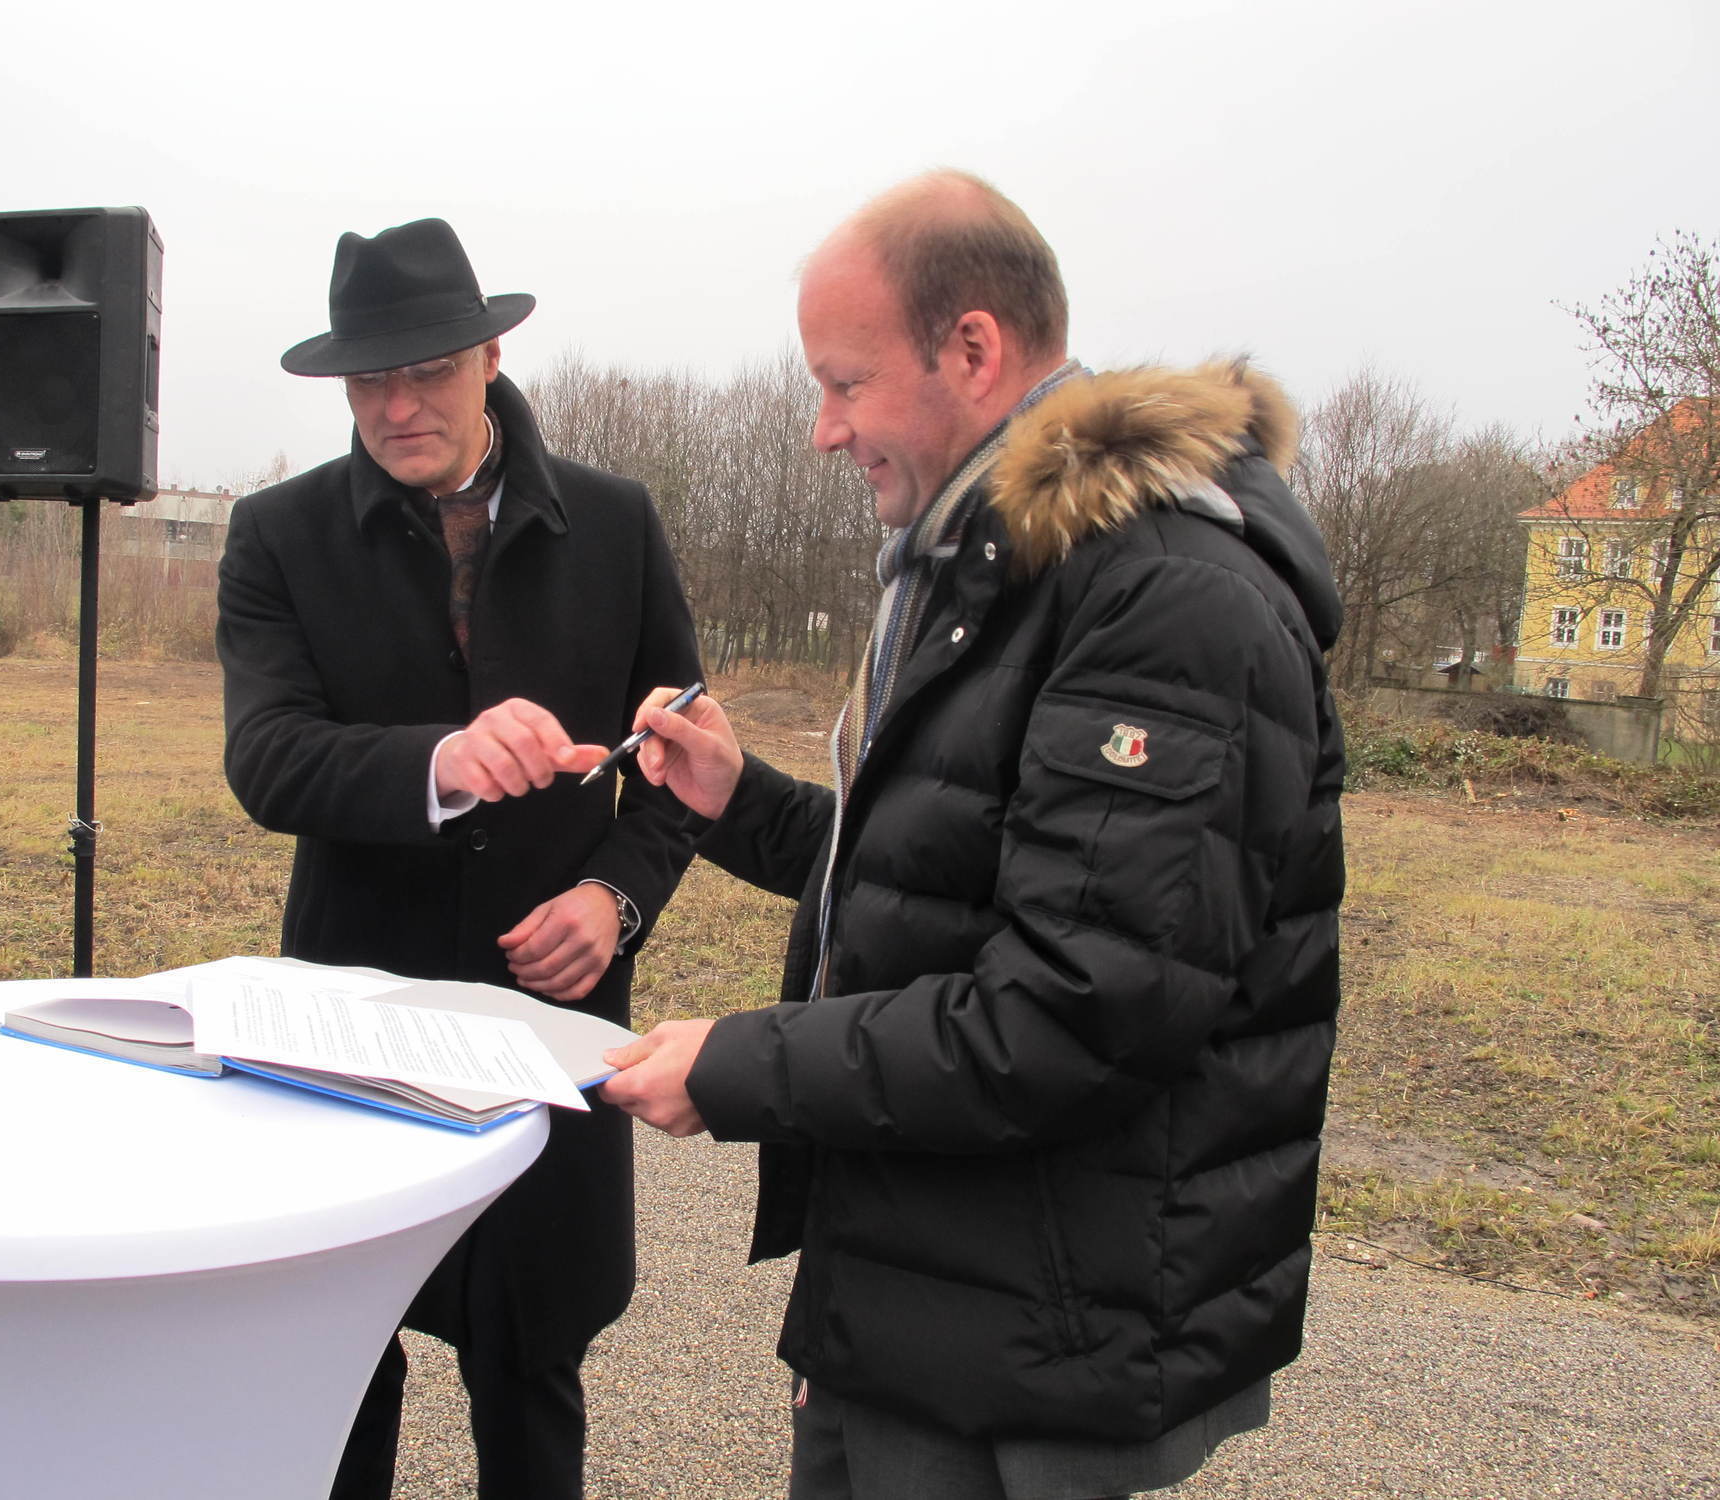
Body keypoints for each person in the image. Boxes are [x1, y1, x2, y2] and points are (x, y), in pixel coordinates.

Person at [601, 170, 1345, 1500]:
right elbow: (953, 878)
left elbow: (1075, 1009)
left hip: (1032, 1346)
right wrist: (744, 803)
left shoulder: (1167, 599)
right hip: (933, 1293)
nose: (824, 433)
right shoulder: (1002, 566)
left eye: (842, 383)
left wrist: (735, 1067)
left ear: (973, 349)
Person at [217, 217, 702, 1500]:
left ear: (488, 355)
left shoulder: (614, 522)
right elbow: (265, 758)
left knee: (532, 1360)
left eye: (425, 368)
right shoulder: (277, 533)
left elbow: (680, 767)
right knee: (340, 1360)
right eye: (367, 379)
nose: (394, 404)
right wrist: (438, 761)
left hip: (550, 1024)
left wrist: (616, 898)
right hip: (351, 1022)